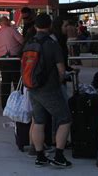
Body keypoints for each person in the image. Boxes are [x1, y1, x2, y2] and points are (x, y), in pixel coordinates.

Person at [28, 13, 72, 168]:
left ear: (35, 26)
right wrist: (60, 81)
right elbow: (61, 70)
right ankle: (59, 156)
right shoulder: (52, 44)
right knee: (65, 119)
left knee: (39, 121)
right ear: (50, 26)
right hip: (49, 88)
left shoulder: (30, 43)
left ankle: (40, 156)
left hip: (32, 88)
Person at [0, 16, 24, 109]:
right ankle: (19, 104)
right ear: (7, 22)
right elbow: (22, 41)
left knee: (5, 82)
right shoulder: (12, 30)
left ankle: (5, 105)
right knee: (17, 81)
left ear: (0, 23)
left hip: (3, 60)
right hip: (14, 59)